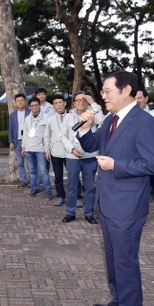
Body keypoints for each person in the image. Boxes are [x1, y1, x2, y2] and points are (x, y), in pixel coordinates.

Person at [76, 70, 154, 306]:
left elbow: (151, 163)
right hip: (109, 201)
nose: (102, 97)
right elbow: (94, 144)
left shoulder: (144, 122)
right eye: (102, 92)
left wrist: (117, 165)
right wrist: (85, 128)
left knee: (125, 260)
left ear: (126, 91)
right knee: (113, 257)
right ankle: (119, 300)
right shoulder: (112, 119)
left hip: (127, 205)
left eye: (107, 91)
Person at [60, 92, 105, 224]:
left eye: (84, 100)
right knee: (73, 186)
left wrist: (93, 104)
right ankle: (70, 212)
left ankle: (89, 213)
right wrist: (71, 149)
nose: (81, 103)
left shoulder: (93, 114)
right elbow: (63, 136)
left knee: (89, 187)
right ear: (74, 103)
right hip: (72, 157)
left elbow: (102, 122)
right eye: (78, 100)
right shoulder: (68, 117)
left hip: (90, 157)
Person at [21, 97, 52, 199]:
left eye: (36, 105)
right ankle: (35, 188)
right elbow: (25, 134)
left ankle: (48, 191)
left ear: (39, 106)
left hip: (40, 149)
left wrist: (47, 149)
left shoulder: (46, 117)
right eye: (32, 105)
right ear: (29, 107)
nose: (34, 107)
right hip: (29, 149)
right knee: (32, 170)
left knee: (43, 171)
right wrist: (23, 146)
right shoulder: (27, 119)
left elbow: (48, 134)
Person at [44, 95, 68, 206]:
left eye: (60, 102)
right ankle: (60, 195)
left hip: (70, 152)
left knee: (73, 174)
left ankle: (77, 196)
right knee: (58, 175)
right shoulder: (50, 120)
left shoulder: (71, 117)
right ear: (53, 106)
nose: (58, 105)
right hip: (56, 151)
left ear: (65, 103)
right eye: (56, 103)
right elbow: (47, 136)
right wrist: (47, 150)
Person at [8, 94, 30, 187]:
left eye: (22, 100)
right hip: (17, 142)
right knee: (20, 163)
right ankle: (23, 180)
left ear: (25, 101)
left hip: (29, 142)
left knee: (30, 163)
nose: (20, 102)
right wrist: (11, 141)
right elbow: (11, 129)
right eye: (18, 101)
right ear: (15, 103)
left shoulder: (30, 112)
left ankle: (33, 181)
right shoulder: (13, 115)